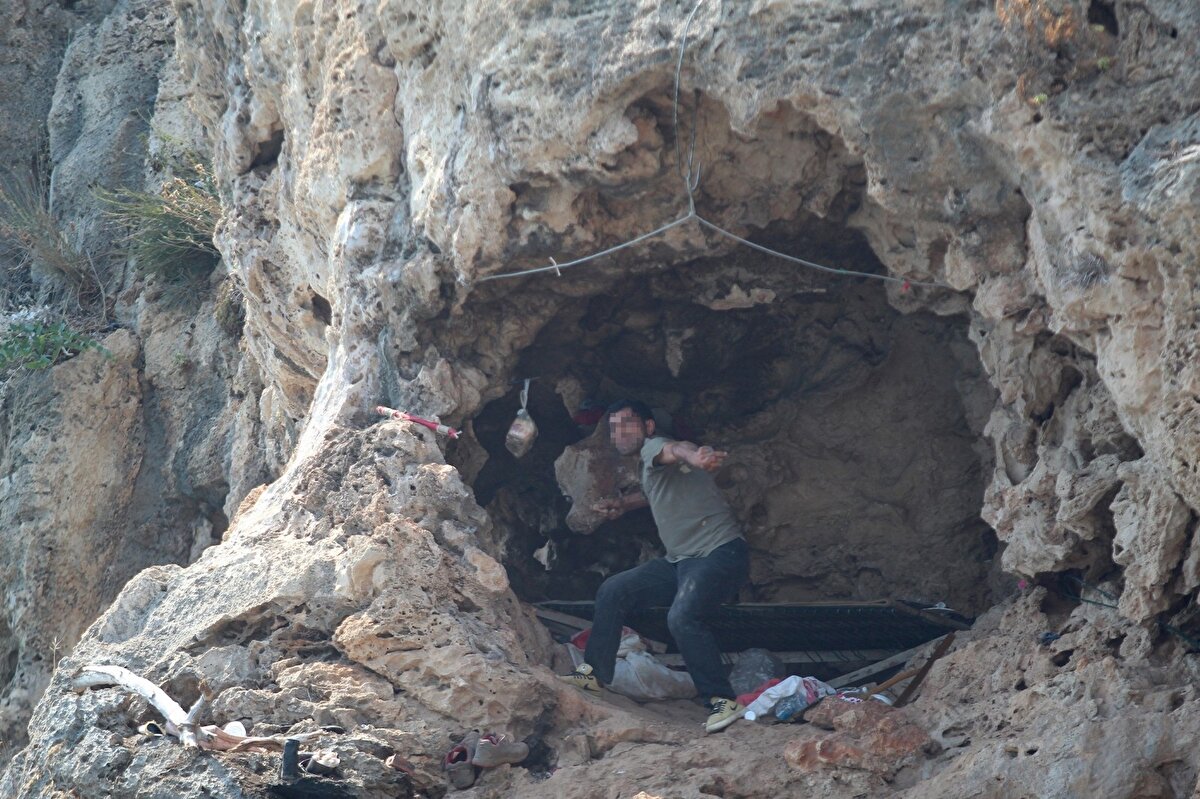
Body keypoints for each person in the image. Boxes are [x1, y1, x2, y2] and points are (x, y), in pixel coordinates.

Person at [558, 399, 750, 733]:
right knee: (614, 590)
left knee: (682, 617)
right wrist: (622, 504)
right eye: (613, 428)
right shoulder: (650, 469)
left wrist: (695, 455)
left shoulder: (653, 447)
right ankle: (593, 673)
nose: (619, 433)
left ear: (648, 427)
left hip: (719, 553)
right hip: (681, 561)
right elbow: (652, 493)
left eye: (627, 424)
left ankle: (722, 700)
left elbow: (675, 448)